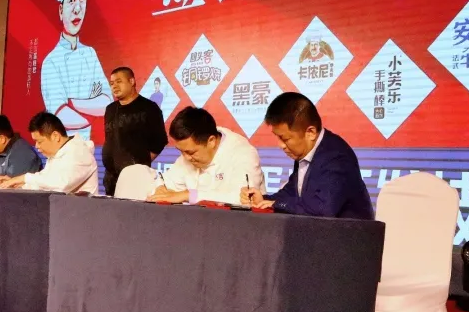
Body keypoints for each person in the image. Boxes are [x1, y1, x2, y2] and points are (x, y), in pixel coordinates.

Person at [242, 92, 374, 219]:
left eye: (285, 139)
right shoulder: (307, 152)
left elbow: (322, 209)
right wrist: (263, 200)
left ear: (310, 132)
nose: (281, 145)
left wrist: (276, 204)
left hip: (351, 233)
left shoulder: (337, 157)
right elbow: (291, 194)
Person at [39, 0, 111, 141]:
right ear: (60, 10)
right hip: (61, 147)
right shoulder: (51, 62)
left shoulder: (90, 54)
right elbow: (60, 115)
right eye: (71, 0)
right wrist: (91, 108)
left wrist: (71, 102)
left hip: (88, 147)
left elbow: (107, 103)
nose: (78, 8)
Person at [148, 107, 264, 205]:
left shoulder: (243, 153)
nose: (186, 158)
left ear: (211, 141)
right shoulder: (188, 152)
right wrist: (160, 188)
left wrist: (188, 195)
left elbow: (243, 199)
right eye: (181, 152)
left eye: (191, 152)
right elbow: (164, 182)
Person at [102, 67, 168, 195]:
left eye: (119, 81)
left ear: (131, 81)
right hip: (111, 179)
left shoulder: (149, 108)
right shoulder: (110, 109)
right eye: (112, 83)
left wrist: (139, 164)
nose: (114, 86)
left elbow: (159, 142)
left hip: (135, 180)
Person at [0, 112, 98, 194]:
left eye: (39, 141)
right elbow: (43, 184)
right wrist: (16, 184)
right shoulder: (57, 154)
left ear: (55, 136)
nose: (36, 146)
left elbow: (62, 184)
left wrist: (25, 178)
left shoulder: (79, 152)